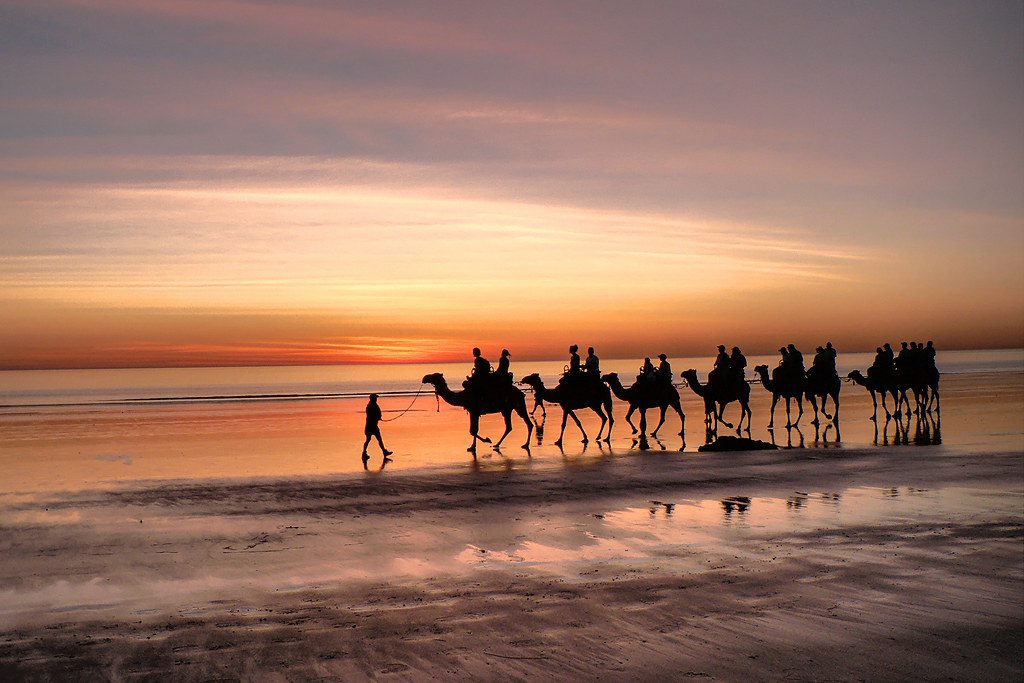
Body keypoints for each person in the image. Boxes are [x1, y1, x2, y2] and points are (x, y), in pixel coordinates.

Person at [362, 394, 392, 461]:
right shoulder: (371, 406)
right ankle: (364, 453)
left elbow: (376, 414)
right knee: (370, 440)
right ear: (372, 398)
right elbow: (372, 415)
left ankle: (384, 452)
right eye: (375, 398)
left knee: (372, 439)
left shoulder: (371, 405)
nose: (376, 399)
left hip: (371, 425)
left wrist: (378, 417)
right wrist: (378, 417)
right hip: (371, 426)